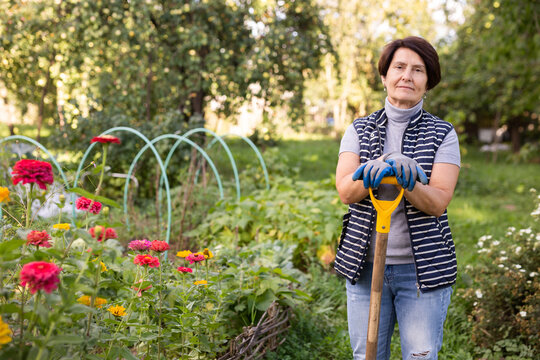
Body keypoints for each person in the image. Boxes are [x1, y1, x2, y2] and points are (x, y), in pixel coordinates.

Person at [334, 36, 460, 360]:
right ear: (384, 76)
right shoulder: (359, 130)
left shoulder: (443, 133)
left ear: (428, 82)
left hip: (422, 272)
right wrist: (368, 172)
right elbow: (346, 190)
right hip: (365, 265)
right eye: (399, 67)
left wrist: (410, 181)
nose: (407, 76)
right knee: (368, 356)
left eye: (418, 70)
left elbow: (438, 202)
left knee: (420, 355)